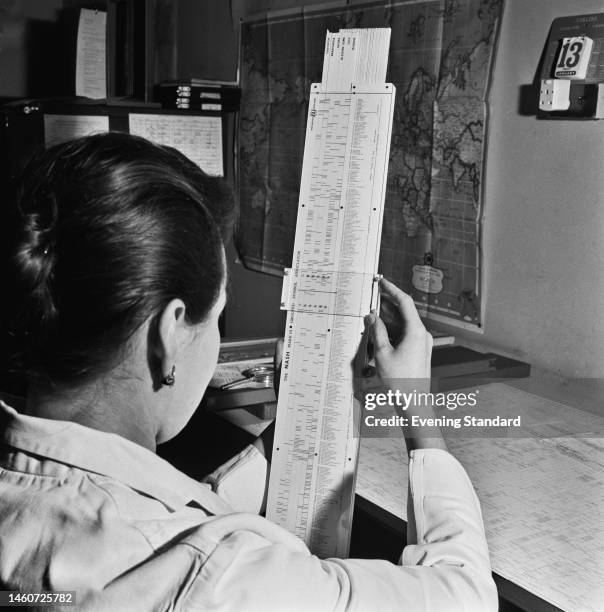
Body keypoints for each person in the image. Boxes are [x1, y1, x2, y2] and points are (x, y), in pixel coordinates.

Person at [0, 132, 497, 611]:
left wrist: (299, 422)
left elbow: (173, 512)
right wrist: (415, 402)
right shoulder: (217, 575)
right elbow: (466, 598)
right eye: (218, 315)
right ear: (168, 334)